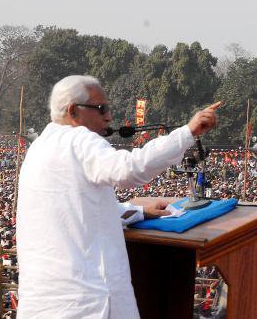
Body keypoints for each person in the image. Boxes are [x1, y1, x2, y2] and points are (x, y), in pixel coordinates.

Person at [16, 75, 220, 319]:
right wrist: (188, 132)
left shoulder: (40, 146)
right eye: (101, 108)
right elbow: (130, 169)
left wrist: (140, 211)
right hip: (87, 302)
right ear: (73, 110)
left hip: (44, 302)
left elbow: (76, 212)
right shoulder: (78, 139)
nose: (109, 117)